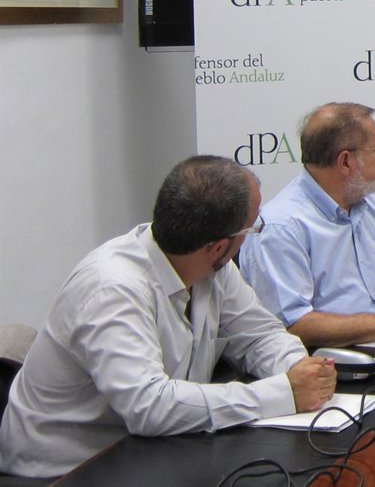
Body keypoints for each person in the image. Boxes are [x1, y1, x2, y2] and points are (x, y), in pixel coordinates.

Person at [0, 156, 336, 478]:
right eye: (253, 228)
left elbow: (259, 334)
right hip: (65, 470)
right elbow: (148, 407)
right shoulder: (112, 288)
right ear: (219, 247)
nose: (254, 234)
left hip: (151, 449)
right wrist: (282, 393)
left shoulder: (210, 266)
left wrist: (300, 370)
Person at [240, 102, 375, 348]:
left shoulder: (372, 208)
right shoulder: (281, 226)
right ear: (345, 161)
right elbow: (292, 324)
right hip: (333, 359)